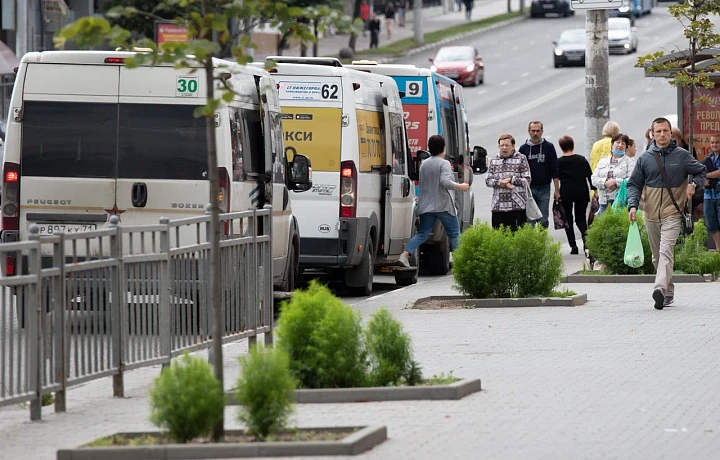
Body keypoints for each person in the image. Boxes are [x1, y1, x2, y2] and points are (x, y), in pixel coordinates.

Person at [627, 117, 706, 310]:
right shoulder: (645, 158)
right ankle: (668, 292)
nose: (662, 134)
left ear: (671, 133)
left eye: (665, 131)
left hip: (673, 212)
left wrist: (693, 185)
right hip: (651, 214)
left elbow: (701, 171)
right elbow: (634, 184)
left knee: (666, 252)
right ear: (652, 134)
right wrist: (633, 205)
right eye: (658, 131)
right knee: (656, 257)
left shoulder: (682, 156)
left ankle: (659, 289)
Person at [397, 135, 470, 268]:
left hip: (426, 205)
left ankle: (405, 255)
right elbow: (445, 182)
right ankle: (461, 263)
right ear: (443, 148)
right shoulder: (444, 163)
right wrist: (461, 186)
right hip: (443, 205)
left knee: (422, 233)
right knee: (454, 233)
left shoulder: (424, 164)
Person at [518, 121, 560, 229]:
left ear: (542, 132)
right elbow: (519, 170)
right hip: (529, 188)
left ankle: (542, 240)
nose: (535, 133)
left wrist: (557, 190)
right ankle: (532, 243)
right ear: (529, 132)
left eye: (538, 131)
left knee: (543, 218)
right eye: (533, 131)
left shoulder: (549, 147)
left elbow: (555, 169)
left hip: (544, 188)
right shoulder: (523, 149)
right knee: (530, 219)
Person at [486, 134, 532, 232]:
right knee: (499, 237)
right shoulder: (494, 160)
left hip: (517, 206)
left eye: (507, 145)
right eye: (501, 145)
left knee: (517, 237)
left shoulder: (521, 158)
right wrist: (500, 183)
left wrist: (511, 179)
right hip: (498, 207)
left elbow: (527, 179)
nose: (504, 148)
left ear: (513, 146)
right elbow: (488, 180)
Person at [557, 135, 595, 255]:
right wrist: (594, 190)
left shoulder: (559, 162)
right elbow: (590, 176)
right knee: (580, 219)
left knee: (567, 219)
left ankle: (573, 246)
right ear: (572, 145)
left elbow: (556, 178)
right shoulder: (581, 159)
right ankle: (586, 243)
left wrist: (556, 191)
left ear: (561, 147)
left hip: (566, 192)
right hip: (581, 192)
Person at [591, 133, 632, 215]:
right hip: (603, 204)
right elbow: (593, 179)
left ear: (626, 147)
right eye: (617, 142)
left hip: (620, 204)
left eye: (623, 143)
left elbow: (632, 180)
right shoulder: (603, 161)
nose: (620, 145)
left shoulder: (629, 162)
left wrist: (616, 182)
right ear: (612, 144)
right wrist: (605, 183)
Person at [703, 133, 720, 251]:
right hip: (708, 195)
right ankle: (719, 250)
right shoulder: (708, 157)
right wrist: (702, 180)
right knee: (712, 225)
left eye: (717, 142)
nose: (714, 144)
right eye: (712, 142)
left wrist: (705, 175)